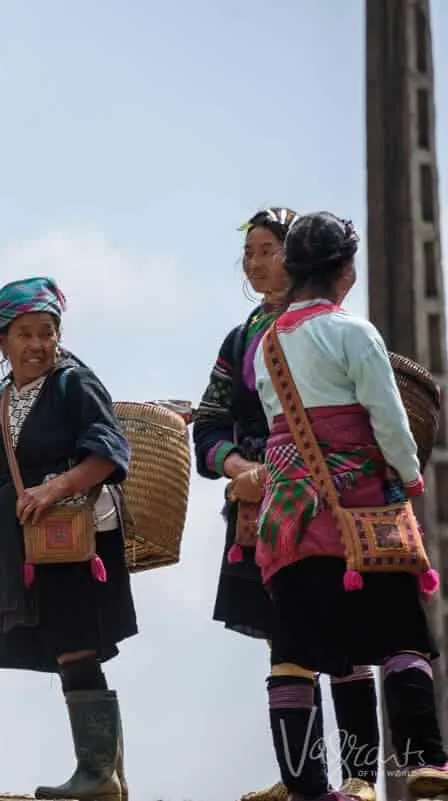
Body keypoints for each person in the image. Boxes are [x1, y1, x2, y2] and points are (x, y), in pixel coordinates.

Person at [252, 212, 448, 801]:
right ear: (345, 271)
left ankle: (315, 786)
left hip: (290, 515)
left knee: (295, 653)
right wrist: (410, 479)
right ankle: (423, 763)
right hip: (362, 512)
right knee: (400, 638)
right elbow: (387, 419)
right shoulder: (353, 333)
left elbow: (279, 426)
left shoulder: (268, 343)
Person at [193, 208, 381, 801]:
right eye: (248, 252)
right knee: (285, 639)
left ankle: (359, 779)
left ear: (299, 256)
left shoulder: (337, 330)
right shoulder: (242, 338)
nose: (255, 262)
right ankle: (304, 783)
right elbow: (209, 425)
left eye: (268, 249)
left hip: (337, 505)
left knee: (347, 633)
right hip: (264, 514)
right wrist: (238, 467)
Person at [0, 277, 137, 801]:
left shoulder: (75, 383)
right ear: (0, 342)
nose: (36, 345)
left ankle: (98, 775)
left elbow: (110, 452)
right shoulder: (1, 395)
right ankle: (106, 775)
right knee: (68, 648)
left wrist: (55, 487)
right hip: (28, 541)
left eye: (46, 332)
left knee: (77, 646)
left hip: (75, 535)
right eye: (24, 334)